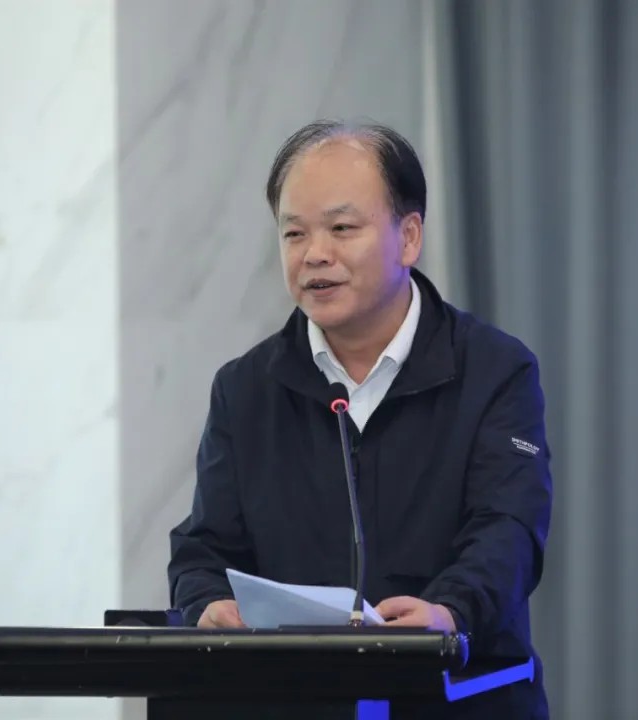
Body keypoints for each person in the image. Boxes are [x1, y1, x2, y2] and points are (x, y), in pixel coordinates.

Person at [167, 119, 553, 718]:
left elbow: (509, 529)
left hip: (457, 702)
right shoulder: (245, 389)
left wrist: (449, 612)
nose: (314, 253)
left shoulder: (495, 370)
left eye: (341, 228)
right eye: (294, 233)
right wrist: (207, 603)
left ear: (409, 237)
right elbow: (203, 547)